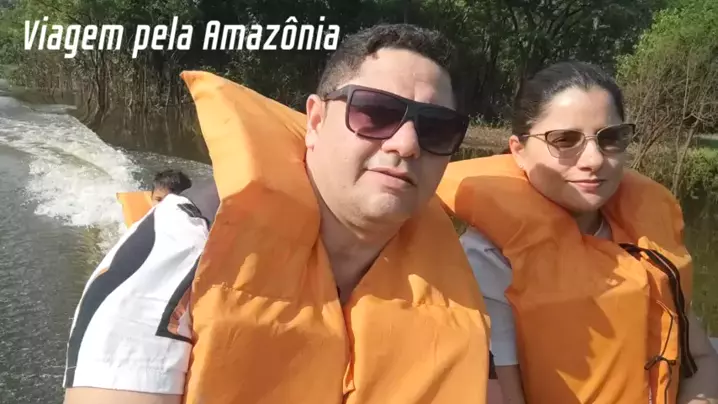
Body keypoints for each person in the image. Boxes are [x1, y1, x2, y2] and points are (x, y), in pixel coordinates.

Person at [62, 23, 493, 404]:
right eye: (376, 112)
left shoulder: (458, 293)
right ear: (316, 121)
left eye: (436, 128)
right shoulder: (187, 248)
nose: (407, 143)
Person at [437, 61, 718, 403]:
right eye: (564, 140)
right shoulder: (488, 259)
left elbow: (701, 358)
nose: (594, 160)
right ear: (518, 151)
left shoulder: (648, 240)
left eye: (610, 138)